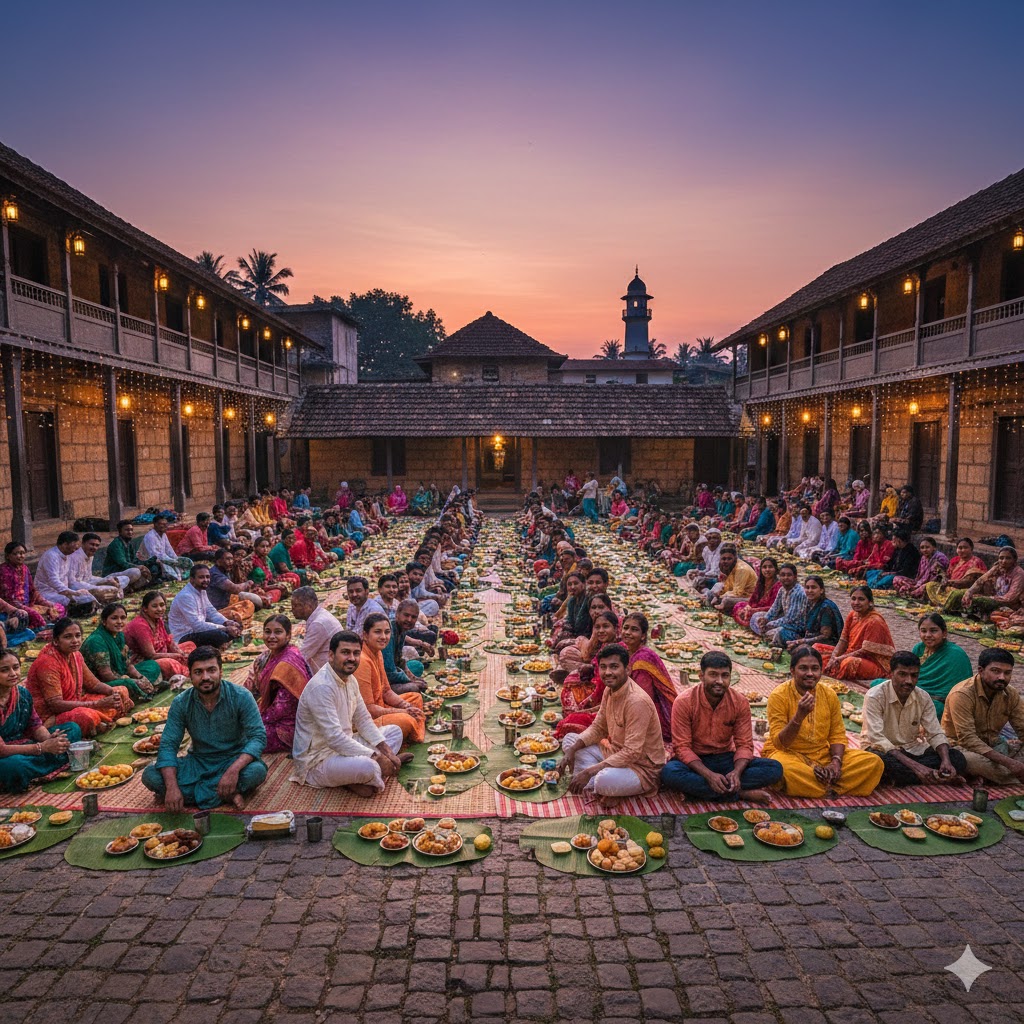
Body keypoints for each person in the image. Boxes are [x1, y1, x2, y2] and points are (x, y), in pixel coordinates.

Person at [142, 646, 267, 810]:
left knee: (256, 771)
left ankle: (195, 795)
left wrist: (233, 771)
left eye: (211, 670)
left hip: (232, 759)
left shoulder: (241, 696)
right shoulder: (181, 703)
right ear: (190, 675)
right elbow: (168, 745)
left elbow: (258, 737)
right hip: (198, 762)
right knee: (150, 775)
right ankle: (226, 794)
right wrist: (172, 787)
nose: (205, 677)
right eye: (198, 672)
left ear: (221, 672)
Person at [291, 629, 405, 795]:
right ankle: (366, 774)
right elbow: (334, 738)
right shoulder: (322, 687)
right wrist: (376, 757)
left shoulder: (350, 679)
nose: (352, 658)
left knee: (395, 732)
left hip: (346, 744)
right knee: (369, 766)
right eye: (345, 652)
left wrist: (386, 752)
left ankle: (357, 777)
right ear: (331, 655)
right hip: (319, 760)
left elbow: (364, 720)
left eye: (356, 653)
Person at [661, 651, 783, 802]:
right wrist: (709, 775)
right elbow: (682, 747)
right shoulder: (684, 702)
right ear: (701, 676)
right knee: (669, 773)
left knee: (774, 769)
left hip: (726, 759)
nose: (719, 681)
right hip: (696, 761)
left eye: (725, 675)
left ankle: (703, 792)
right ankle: (741, 794)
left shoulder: (739, 702)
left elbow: (744, 744)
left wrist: (736, 773)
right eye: (713, 674)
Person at [762, 646, 884, 797]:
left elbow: (837, 734)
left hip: (823, 754)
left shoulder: (829, 694)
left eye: (815, 668)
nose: (810, 674)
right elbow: (780, 743)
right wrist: (799, 717)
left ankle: (822, 785)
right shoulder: (778, 696)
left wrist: (836, 762)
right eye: (803, 668)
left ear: (821, 671)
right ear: (792, 671)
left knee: (873, 762)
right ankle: (830, 787)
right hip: (789, 754)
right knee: (782, 769)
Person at [558, 643, 667, 802]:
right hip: (614, 753)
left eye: (614, 667)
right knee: (570, 741)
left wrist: (590, 771)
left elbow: (632, 752)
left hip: (641, 768)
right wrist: (572, 750)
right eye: (603, 667)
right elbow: (598, 728)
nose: (608, 672)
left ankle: (603, 783)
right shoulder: (610, 689)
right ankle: (604, 783)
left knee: (603, 780)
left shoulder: (637, 702)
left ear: (627, 670)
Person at [861, 650, 967, 787]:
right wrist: (917, 767)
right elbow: (877, 739)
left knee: (957, 758)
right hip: (882, 751)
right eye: (902, 674)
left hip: (911, 749)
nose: (909, 681)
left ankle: (911, 777)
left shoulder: (923, 697)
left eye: (914, 675)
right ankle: (931, 776)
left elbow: (935, 733)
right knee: (879, 762)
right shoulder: (875, 696)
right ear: (891, 673)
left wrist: (946, 761)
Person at [26, 617, 133, 737]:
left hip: (75, 703)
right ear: (56, 641)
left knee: (121, 690)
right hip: (50, 716)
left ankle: (100, 722)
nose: (75, 640)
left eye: (77, 635)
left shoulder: (76, 655)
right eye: (68, 637)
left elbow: (94, 684)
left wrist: (113, 693)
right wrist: (98, 704)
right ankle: (96, 723)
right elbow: (55, 705)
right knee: (86, 716)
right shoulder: (48, 663)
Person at [0, 648, 79, 793]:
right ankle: (51, 764)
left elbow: (35, 725)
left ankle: (40, 767)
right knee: (13, 766)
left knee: (72, 729)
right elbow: (2, 750)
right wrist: (43, 748)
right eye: (4, 670)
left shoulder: (22, 694)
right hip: (6, 755)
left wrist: (51, 739)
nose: (13, 674)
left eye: (16, 668)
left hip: (25, 745)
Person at [941, 648, 1024, 785]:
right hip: (961, 748)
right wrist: (1010, 763)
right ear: (980, 670)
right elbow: (968, 739)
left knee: (1012, 758)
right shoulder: (962, 694)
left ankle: (991, 777)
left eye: (1007, 673)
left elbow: (1022, 727)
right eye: (995, 671)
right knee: (974, 762)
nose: (1002, 677)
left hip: (995, 746)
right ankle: (1003, 776)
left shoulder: (1010, 694)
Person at [354, 613, 424, 746]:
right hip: (366, 720)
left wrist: (407, 706)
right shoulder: (362, 661)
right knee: (406, 720)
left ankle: (411, 733)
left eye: (387, 632)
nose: (383, 637)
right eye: (377, 632)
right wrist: (402, 711)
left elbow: (386, 691)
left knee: (415, 699)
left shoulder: (378, 652)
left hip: (381, 707)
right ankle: (406, 736)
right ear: (365, 635)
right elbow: (369, 709)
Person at [245, 614, 311, 754]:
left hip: (289, 724)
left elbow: (283, 708)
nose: (272, 636)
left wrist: (253, 720)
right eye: (267, 632)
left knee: (245, 737)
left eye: (278, 632)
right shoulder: (264, 657)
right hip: (268, 714)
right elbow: (251, 688)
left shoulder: (289, 661)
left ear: (288, 636)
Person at [82, 602, 162, 702]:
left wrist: (141, 677)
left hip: (121, 674)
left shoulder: (119, 635)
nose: (119, 622)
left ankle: (142, 686)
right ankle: (141, 693)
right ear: (104, 621)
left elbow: (127, 663)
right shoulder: (96, 641)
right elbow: (106, 675)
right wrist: (131, 680)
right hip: (102, 682)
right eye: (114, 618)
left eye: (123, 618)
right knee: (129, 684)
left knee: (152, 665)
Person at [815, 585, 895, 680]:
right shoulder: (852, 615)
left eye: (861, 599)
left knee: (849, 663)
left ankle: (832, 670)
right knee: (816, 649)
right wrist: (833, 658)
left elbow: (865, 651)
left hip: (873, 662)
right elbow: (843, 641)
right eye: (853, 599)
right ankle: (830, 667)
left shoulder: (874, 621)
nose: (856, 602)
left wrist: (840, 659)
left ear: (870, 602)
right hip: (849, 653)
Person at [618, 612, 677, 742]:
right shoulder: (625, 650)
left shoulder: (643, 659)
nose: (628, 632)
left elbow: (644, 700)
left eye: (634, 630)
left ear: (643, 636)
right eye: (626, 628)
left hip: (654, 713)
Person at [124, 592, 191, 682]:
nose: (160, 609)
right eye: (154, 606)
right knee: (170, 663)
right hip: (143, 663)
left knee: (190, 645)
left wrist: (181, 654)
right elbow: (151, 655)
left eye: (162, 605)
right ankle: (188, 676)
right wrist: (174, 656)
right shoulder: (140, 625)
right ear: (145, 609)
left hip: (160, 654)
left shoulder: (158, 620)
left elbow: (168, 642)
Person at [0, 541, 63, 630]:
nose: (20, 556)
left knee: (58, 608)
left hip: (27, 603)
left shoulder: (24, 568)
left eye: (22, 553)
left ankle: (48, 624)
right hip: (12, 607)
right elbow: (9, 598)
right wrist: (23, 608)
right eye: (16, 554)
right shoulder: (4, 571)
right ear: (8, 556)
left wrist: (46, 603)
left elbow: (32, 590)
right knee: (34, 615)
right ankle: (40, 628)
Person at [34, 532, 95, 614]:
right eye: (74, 545)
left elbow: (70, 579)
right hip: (47, 592)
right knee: (72, 601)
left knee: (87, 597)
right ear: (65, 544)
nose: (76, 549)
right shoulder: (51, 556)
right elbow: (53, 581)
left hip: (64, 591)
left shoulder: (68, 555)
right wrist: (72, 593)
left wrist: (79, 590)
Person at [960, 547, 1024, 621]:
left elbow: (1010, 598)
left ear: (1014, 560)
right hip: (995, 599)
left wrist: (988, 598)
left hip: (1010, 606)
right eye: (1001, 558)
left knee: (980, 601)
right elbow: (981, 581)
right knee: (960, 595)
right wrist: (969, 592)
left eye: (1008, 558)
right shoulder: (998, 568)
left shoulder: (1019, 574)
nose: (1004, 561)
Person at [290, 587, 344, 675]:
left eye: (297, 605)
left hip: (329, 673)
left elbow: (302, 656)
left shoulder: (318, 623)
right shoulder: (319, 616)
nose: (292, 609)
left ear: (309, 606)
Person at [750, 563, 807, 645]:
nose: (785, 578)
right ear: (779, 577)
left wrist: (769, 624)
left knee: (779, 633)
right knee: (755, 617)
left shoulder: (799, 593)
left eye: (789, 575)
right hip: (784, 621)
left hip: (795, 627)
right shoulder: (782, 590)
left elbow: (790, 619)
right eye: (783, 575)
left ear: (795, 576)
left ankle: (771, 636)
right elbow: (774, 608)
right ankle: (767, 634)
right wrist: (765, 619)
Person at [925, 537, 987, 611]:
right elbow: (948, 575)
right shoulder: (955, 560)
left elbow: (969, 582)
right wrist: (943, 576)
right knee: (930, 585)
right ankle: (942, 604)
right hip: (950, 587)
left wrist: (950, 582)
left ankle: (946, 607)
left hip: (966, 590)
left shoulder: (976, 562)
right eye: (960, 548)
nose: (962, 550)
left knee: (955, 594)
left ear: (971, 549)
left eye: (965, 548)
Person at [785, 575, 843, 652]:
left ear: (821, 590)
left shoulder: (825, 607)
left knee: (800, 650)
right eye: (807, 587)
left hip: (827, 643)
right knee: (782, 634)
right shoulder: (809, 603)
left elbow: (825, 636)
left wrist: (802, 641)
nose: (810, 590)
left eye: (813, 587)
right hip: (809, 637)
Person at [383, 599, 428, 695]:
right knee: (414, 688)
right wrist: (410, 681)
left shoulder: (401, 630)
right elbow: (389, 672)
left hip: (391, 675)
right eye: (406, 615)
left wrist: (413, 677)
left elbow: (399, 662)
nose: (409, 620)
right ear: (397, 614)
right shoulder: (388, 633)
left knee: (418, 670)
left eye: (413, 617)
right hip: (381, 682)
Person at [207, 548, 262, 626]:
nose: (231, 562)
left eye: (231, 559)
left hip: (224, 601)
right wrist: (247, 583)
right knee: (248, 605)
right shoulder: (216, 574)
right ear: (218, 561)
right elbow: (235, 589)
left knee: (253, 598)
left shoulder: (225, 570)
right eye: (228, 559)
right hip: (216, 609)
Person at [68, 533, 127, 603]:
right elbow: (72, 583)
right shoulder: (75, 557)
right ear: (83, 543)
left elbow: (89, 577)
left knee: (125, 579)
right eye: (92, 544)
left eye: (97, 545)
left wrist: (105, 580)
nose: (94, 548)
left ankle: (108, 592)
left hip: (89, 583)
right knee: (110, 589)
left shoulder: (90, 556)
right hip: (77, 588)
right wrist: (95, 587)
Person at [705, 543, 757, 613]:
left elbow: (737, 593)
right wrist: (718, 594)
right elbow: (728, 586)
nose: (726, 561)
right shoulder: (731, 566)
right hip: (739, 594)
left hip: (749, 597)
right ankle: (710, 613)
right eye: (724, 559)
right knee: (711, 593)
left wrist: (720, 596)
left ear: (735, 558)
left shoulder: (741, 569)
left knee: (726, 600)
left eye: (729, 559)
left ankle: (719, 613)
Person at [731, 556, 780, 628]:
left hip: (769, 613)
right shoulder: (761, 582)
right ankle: (748, 622)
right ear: (761, 569)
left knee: (755, 617)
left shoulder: (778, 586)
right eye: (764, 567)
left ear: (775, 569)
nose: (767, 570)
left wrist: (754, 610)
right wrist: (747, 608)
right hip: (756, 608)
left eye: (770, 567)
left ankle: (752, 624)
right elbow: (752, 600)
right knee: (739, 605)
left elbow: (774, 608)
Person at [101, 520, 152, 589]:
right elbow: (122, 563)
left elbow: (134, 560)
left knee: (149, 569)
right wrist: (137, 567)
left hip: (125, 572)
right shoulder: (116, 544)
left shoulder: (129, 544)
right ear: (120, 531)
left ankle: (129, 588)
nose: (130, 532)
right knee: (135, 572)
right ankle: (126, 587)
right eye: (127, 530)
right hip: (112, 574)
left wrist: (145, 565)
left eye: (131, 530)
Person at [139, 515, 190, 581]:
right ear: (155, 525)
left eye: (166, 524)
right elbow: (155, 555)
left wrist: (176, 559)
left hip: (164, 559)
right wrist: (171, 560)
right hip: (153, 561)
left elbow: (169, 550)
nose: (165, 526)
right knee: (166, 565)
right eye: (162, 524)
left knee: (186, 562)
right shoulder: (150, 537)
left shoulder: (163, 535)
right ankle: (172, 576)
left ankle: (179, 575)